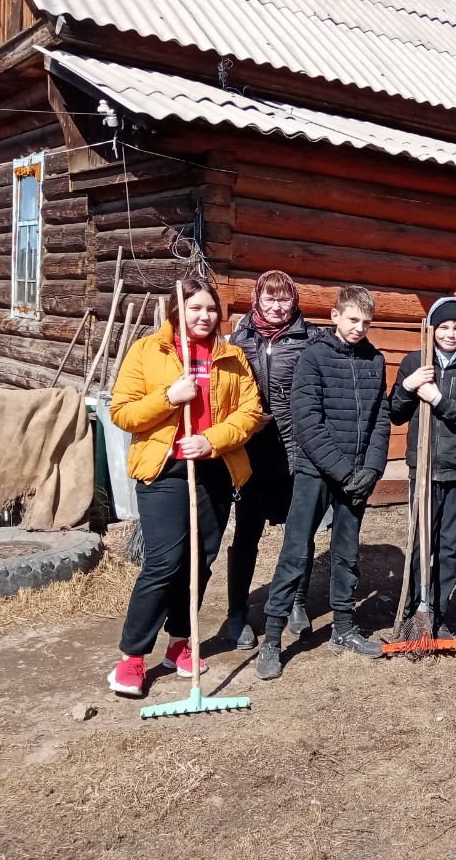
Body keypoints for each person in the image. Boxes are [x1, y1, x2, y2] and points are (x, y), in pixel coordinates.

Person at [107, 280, 263, 696]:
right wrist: (169, 397)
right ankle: (131, 658)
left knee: (201, 561)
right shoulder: (148, 351)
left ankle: (180, 642)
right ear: (177, 311)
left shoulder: (231, 356)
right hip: (164, 470)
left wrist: (212, 440)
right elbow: (122, 413)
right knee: (165, 561)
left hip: (214, 467)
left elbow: (250, 412)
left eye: (210, 309)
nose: (204, 316)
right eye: (195, 308)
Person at [255, 285, 392, 680]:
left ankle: (344, 627)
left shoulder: (374, 360)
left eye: (366, 322)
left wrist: (372, 469)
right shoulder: (313, 357)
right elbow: (307, 421)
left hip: (357, 477)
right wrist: (342, 470)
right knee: (296, 551)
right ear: (335, 316)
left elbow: (380, 419)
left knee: (346, 552)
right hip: (318, 473)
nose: (359, 328)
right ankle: (273, 637)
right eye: (352, 320)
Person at [225, 270, 322, 649]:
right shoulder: (240, 337)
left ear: (294, 301)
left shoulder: (311, 337)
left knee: (300, 531)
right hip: (252, 448)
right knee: (247, 531)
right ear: (257, 299)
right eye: (270, 299)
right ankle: (237, 611)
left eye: (284, 299)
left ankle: (298, 601)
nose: (277, 307)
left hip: (295, 449)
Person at [389, 296, 456, 638]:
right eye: (443, 327)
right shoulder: (415, 361)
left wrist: (438, 400)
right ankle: (415, 609)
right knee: (421, 541)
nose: (450, 333)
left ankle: (439, 613)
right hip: (424, 468)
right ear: (432, 329)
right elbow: (396, 412)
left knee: (449, 545)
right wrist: (408, 385)